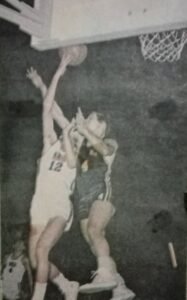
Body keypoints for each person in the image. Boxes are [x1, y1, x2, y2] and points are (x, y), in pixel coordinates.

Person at [27, 54, 80, 300]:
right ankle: (66, 284)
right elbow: (49, 108)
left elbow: (70, 157)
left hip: (59, 207)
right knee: (38, 263)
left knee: (42, 249)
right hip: (40, 203)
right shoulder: (50, 144)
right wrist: (56, 73)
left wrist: (70, 132)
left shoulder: (75, 155)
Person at [75, 110, 136, 300]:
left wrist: (84, 129)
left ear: (101, 127)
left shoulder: (109, 142)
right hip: (82, 199)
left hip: (101, 193)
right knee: (94, 243)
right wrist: (44, 88)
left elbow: (104, 150)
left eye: (91, 118)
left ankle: (104, 275)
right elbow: (60, 119)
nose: (86, 120)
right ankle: (119, 287)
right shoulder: (81, 145)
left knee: (95, 230)